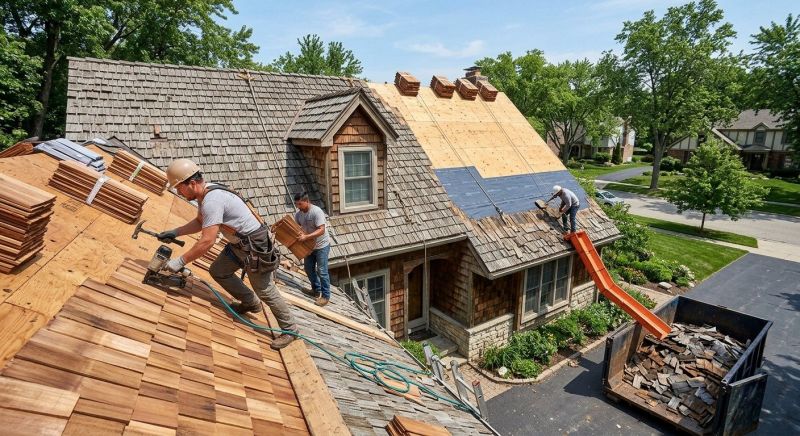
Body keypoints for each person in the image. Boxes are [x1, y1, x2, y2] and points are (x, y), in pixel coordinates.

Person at [157, 158, 298, 350]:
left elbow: (207, 241)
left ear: (192, 183)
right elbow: (200, 222)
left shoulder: (212, 200)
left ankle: (290, 330)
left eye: (179, 188)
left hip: (255, 246)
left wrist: (180, 261)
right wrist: (176, 232)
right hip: (240, 244)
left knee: (264, 289)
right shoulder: (207, 194)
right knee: (219, 271)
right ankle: (250, 303)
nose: (178, 193)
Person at [293, 192, 331, 307]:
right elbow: (297, 228)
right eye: (296, 204)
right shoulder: (298, 214)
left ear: (307, 201)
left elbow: (321, 230)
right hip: (309, 246)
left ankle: (325, 296)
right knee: (308, 268)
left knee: (322, 271)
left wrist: (306, 237)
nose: (298, 207)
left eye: (300, 204)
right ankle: (316, 290)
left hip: (321, 246)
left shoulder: (316, 212)